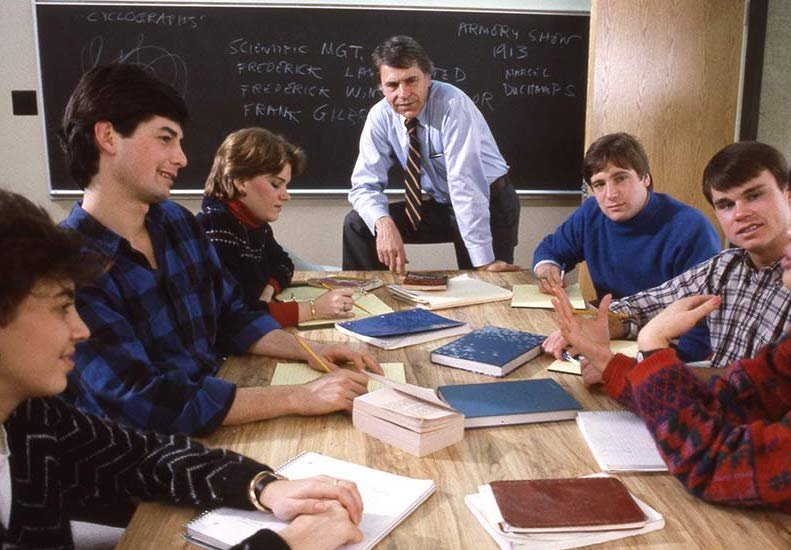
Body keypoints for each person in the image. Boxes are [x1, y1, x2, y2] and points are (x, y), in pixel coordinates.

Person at [551, 139, 791, 542]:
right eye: (726, 204)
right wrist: (615, 366)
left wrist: (654, 347)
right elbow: (724, 400)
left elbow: (718, 462)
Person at [0, 189, 363, 549]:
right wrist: (291, 545)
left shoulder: (32, 413)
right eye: (62, 307)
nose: (81, 330)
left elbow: (145, 458)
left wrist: (265, 487)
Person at [58, 63, 379, 437]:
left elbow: (232, 315)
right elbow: (144, 401)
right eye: (165, 139)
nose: (182, 158)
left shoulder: (177, 223)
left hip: (224, 413)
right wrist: (298, 397)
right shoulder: (68, 266)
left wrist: (313, 351)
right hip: (157, 455)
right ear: (108, 137)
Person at [544, 141, 791, 368]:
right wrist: (598, 326)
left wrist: (639, 367)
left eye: (754, 195)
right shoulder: (725, 267)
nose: (741, 213)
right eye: (725, 204)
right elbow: (644, 305)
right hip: (716, 409)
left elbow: (757, 391)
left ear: (790, 192)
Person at [534, 132, 720, 361]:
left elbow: (701, 328)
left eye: (620, 178)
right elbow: (550, 249)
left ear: (646, 179)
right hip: (611, 330)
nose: (611, 194)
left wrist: (659, 370)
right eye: (599, 184)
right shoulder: (591, 213)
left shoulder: (691, 228)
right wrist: (547, 269)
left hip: (664, 347)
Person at [343, 35, 521, 274]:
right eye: (392, 85)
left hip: (488, 203)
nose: (403, 94)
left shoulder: (452, 104)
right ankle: (368, 303)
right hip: (442, 205)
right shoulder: (380, 116)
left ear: (428, 77)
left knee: (484, 284)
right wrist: (383, 222)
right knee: (358, 224)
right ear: (381, 87)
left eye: (411, 81)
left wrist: (483, 261)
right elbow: (363, 186)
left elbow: (465, 184)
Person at [199, 127, 356, 327]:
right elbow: (236, 317)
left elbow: (283, 264)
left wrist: (268, 289)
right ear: (240, 181)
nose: (286, 195)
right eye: (275, 184)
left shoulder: (253, 223)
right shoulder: (214, 233)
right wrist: (313, 309)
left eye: (286, 186)